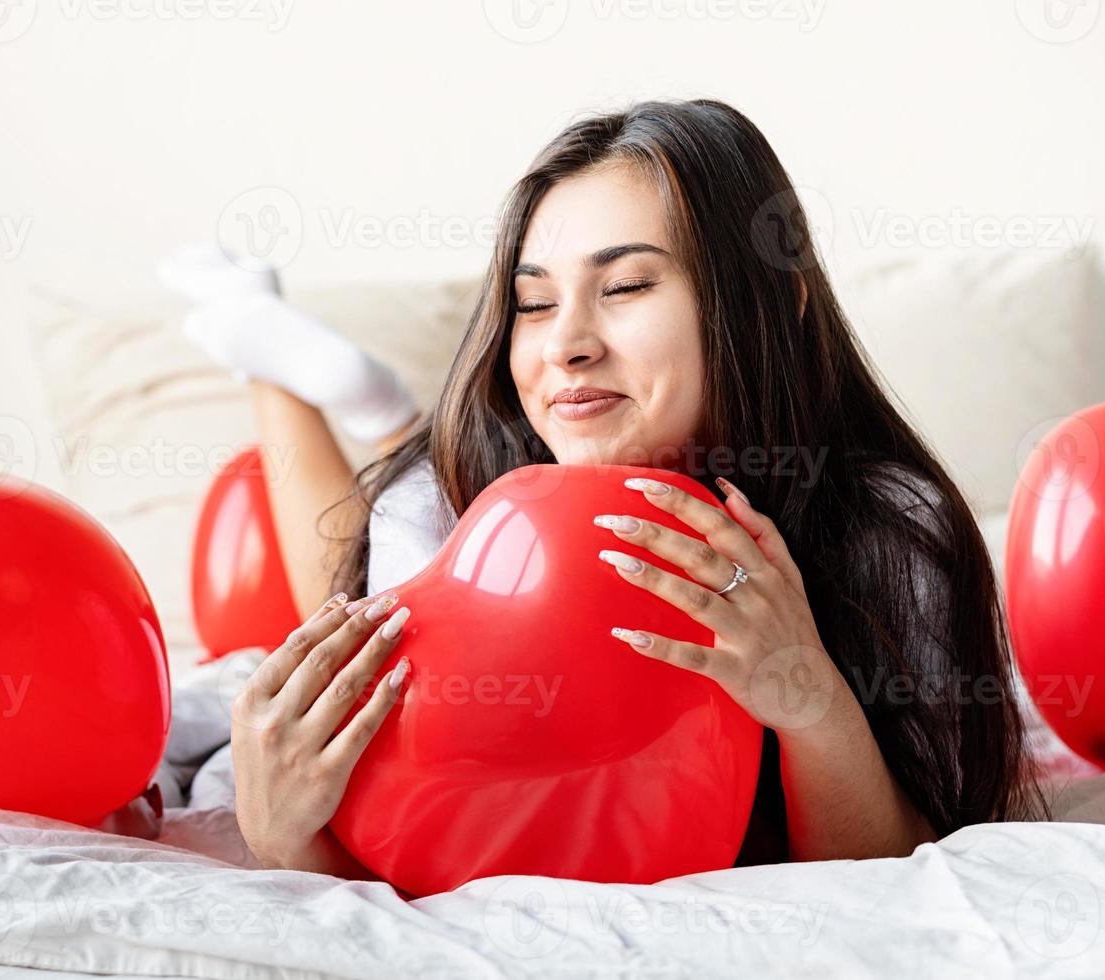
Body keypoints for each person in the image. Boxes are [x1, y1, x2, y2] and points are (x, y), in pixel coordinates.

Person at [159, 99, 1046, 880]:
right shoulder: (451, 512)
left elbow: (915, 855)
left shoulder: (885, 525)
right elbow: (393, 844)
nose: (565, 345)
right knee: (369, 529)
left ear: (776, 306)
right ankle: (285, 365)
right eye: (534, 304)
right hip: (449, 471)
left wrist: (807, 700)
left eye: (624, 286)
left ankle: (377, 405)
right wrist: (283, 838)